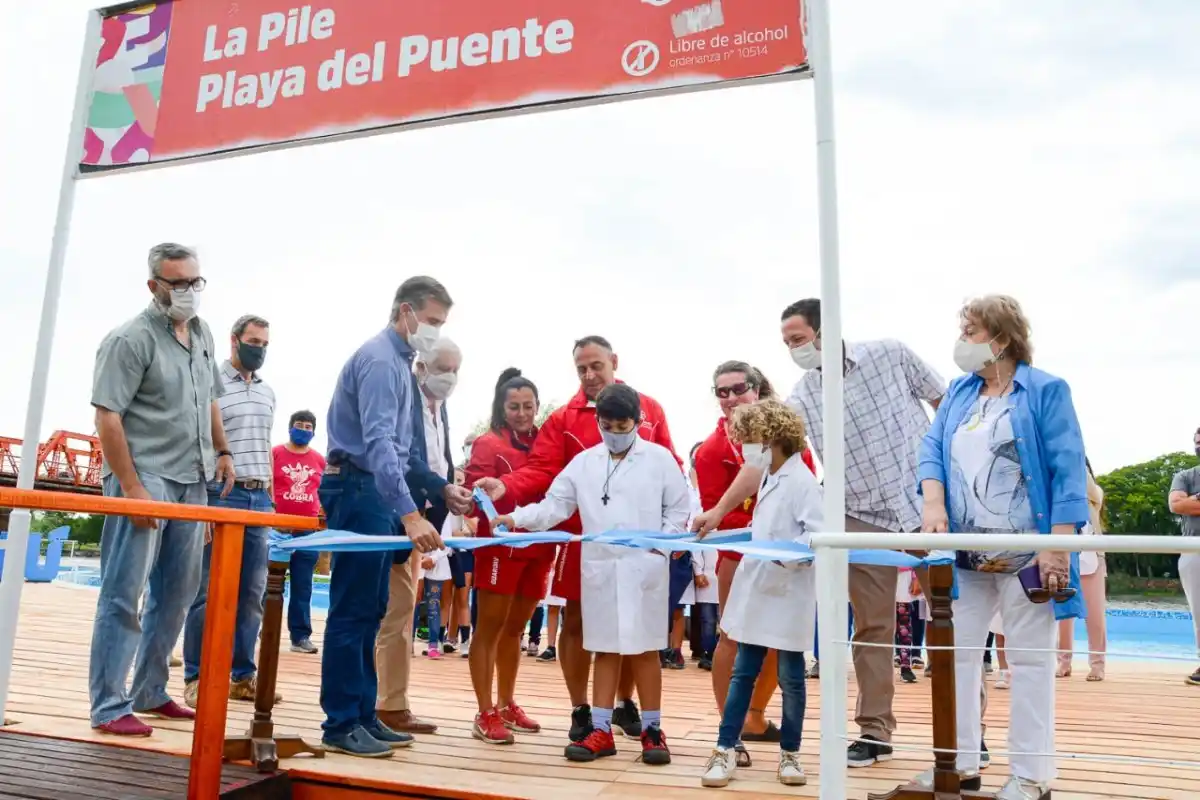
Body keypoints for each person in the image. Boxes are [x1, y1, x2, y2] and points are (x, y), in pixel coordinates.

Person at [695, 300, 945, 768]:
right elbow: (762, 461)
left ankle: (967, 732)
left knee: (954, 625)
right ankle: (874, 732)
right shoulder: (805, 395)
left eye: (798, 339)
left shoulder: (891, 354)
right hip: (857, 515)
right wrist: (718, 509)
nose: (793, 349)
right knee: (872, 625)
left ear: (825, 331)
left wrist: (945, 485)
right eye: (787, 343)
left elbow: (944, 404)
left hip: (925, 505)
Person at [914, 294, 1087, 800]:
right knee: (955, 658)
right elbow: (931, 450)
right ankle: (960, 763)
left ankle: (1031, 776)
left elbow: (1067, 466)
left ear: (1002, 337)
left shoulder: (1046, 390)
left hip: (1029, 554)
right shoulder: (960, 392)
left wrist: (1057, 546)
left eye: (969, 330)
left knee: (1030, 662)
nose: (960, 341)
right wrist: (932, 503)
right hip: (964, 554)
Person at [474, 336, 680, 744]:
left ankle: (636, 714)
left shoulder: (653, 421)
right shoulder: (567, 425)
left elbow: (677, 497)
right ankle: (586, 715)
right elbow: (548, 485)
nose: (589, 375)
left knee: (640, 638)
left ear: (613, 362)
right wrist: (509, 500)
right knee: (590, 629)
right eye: (581, 369)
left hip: (644, 557)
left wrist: (664, 544)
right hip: (585, 546)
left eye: (596, 366)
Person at [88, 243, 233, 737]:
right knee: (123, 594)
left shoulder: (203, 333)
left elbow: (211, 397)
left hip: (193, 477)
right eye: (178, 284)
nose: (190, 292)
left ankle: (150, 690)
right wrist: (130, 487)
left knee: (178, 592)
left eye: (196, 282)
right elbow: (107, 415)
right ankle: (109, 705)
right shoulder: (129, 339)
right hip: (144, 474)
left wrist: (224, 451)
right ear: (154, 286)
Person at [318, 277, 450, 758]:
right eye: (433, 321)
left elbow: (402, 450)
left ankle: (361, 712)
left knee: (372, 608)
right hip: (358, 485)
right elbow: (376, 444)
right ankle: (339, 722)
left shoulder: (400, 364)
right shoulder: (378, 361)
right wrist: (411, 513)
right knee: (352, 609)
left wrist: (440, 487)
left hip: (373, 487)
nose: (435, 332)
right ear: (407, 311)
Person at [691, 360, 815, 759]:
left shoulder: (790, 439)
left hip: (786, 556)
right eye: (720, 391)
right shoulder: (712, 449)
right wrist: (755, 527)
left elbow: (804, 494)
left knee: (779, 639)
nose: (729, 397)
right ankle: (732, 724)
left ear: (758, 388)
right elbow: (718, 509)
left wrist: (779, 534)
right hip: (740, 553)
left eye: (737, 388)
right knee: (733, 637)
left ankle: (756, 715)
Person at [374, 336, 470, 737]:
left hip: (425, 517)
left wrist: (450, 493)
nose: (449, 377)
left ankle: (394, 703)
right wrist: (439, 488)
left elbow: (439, 459)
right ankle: (384, 705)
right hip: (394, 514)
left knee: (403, 610)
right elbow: (406, 460)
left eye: (455, 369)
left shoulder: (441, 408)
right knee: (391, 613)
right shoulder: (403, 400)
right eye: (443, 368)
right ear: (420, 368)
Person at [182, 314, 277, 708]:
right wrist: (202, 502)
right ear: (235, 341)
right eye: (254, 341)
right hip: (222, 493)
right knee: (204, 590)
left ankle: (242, 674)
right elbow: (201, 443)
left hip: (260, 496)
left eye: (266, 344)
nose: (260, 349)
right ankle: (196, 675)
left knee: (252, 593)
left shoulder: (269, 392)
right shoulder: (212, 383)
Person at [464, 369, 557, 744]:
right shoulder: (487, 443)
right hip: (500, 545)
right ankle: (484, 711)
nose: (522, 413)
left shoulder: (545, 441)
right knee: (489, 627)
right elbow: (474, 501)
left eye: (528, 406)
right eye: (514, 406)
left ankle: (506, 703)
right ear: (502, 408)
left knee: (516, 628)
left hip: (539, 543)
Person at [272, 410, 326, 654]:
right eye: (298, 425)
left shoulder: (319, 460)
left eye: (307, 426)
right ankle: (267, 629)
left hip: (307, 531)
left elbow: (325, 491)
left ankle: (300, 636)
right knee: (270, 583)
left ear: (313, 432)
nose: (303, 429)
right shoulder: (274, 454)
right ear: (289, 427)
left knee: (303, 585)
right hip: (276, 529)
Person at [1057, 459, 1107, 680]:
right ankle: (1063, 662)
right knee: (1064, 616)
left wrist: (1076, 461)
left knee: (1095, 616)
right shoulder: (1061, 496)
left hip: (1093, 558)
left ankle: (1097, 664)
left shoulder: (1094, 496)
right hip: (1067, 558)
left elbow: (1091, 490)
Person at [1168, 427, 1200, 687]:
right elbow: (1177, 505)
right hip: (1193, 549)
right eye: (1196, 442)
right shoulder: (1185, 476)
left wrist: (1195, 500)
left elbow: (1188, 504)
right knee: (1199, 609)